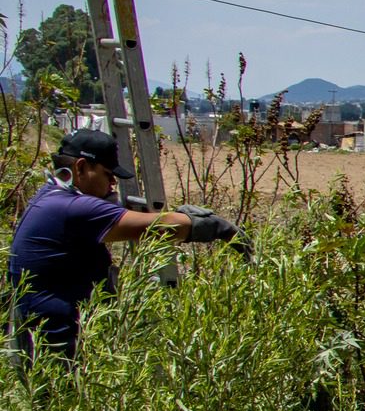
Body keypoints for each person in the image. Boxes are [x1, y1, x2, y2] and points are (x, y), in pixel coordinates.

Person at [7, 128, 237, 363]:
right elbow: (156, 228)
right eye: (108, 174)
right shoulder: (73, 208)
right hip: (54, 351)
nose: (113, 183)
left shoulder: (50, 196)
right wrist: (219, 228)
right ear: (81, 167)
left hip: (38, 344)